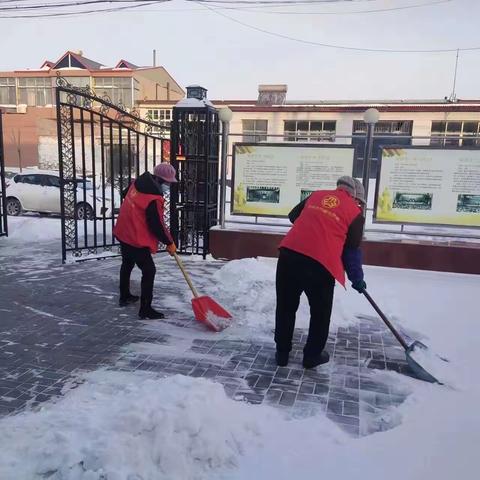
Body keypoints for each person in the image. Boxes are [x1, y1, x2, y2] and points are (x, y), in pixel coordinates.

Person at [275, 176, 367, 369]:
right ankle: (312, 356)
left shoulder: (316, 195)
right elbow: (351, 251)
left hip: (289, 254)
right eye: (360, 202)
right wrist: (357, 278)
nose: (360, 205)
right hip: (320, 265)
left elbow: (293, 216)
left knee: (285, 307)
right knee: (320, 313)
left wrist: (316, 223)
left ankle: (282, 353)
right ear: (355, 197)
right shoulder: (356, 214)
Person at [113, 163, 178, 320]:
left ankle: (125, 296)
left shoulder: (136, 183)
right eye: (168, 183)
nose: (169, 186)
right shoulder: (154, 198)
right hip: (135, 237)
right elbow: (157, 224)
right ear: (159, 180)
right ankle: (145, 309)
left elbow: (124, 195)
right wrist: (169, 242)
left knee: (127, 263)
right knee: (149, 271)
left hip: (124, 231)